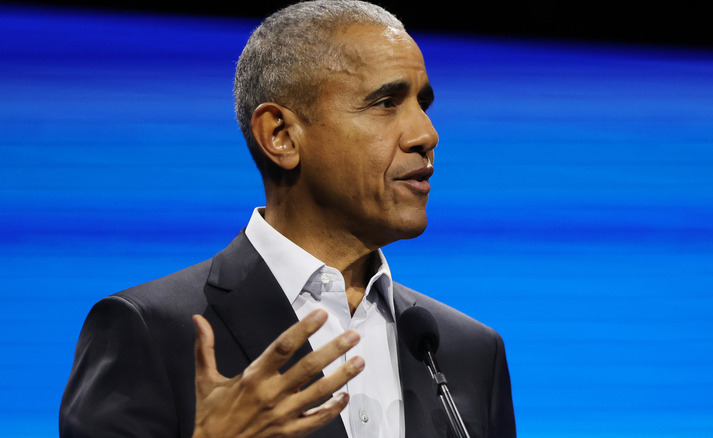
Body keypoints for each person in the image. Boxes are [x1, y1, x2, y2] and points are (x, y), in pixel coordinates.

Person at [59, 1, 515, 437]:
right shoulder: (150, 332)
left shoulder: (468, 351)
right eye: (385, 102)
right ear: (280, 136)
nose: (426, 134)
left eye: (423, 104)